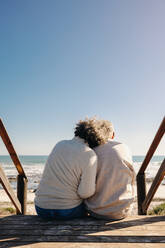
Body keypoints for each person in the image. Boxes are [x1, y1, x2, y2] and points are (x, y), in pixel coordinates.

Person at [34, 117, 112, 220]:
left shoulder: (59, 144)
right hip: (67, 211)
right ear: (97, 138)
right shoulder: (89, 154)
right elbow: (85, 193)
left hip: (41, 208)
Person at [85, 122, 136, 220]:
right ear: (113, 134)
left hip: (95, 211)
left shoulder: (91, 151)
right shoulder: (124, 147)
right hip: (122, 211)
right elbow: (133, 177)